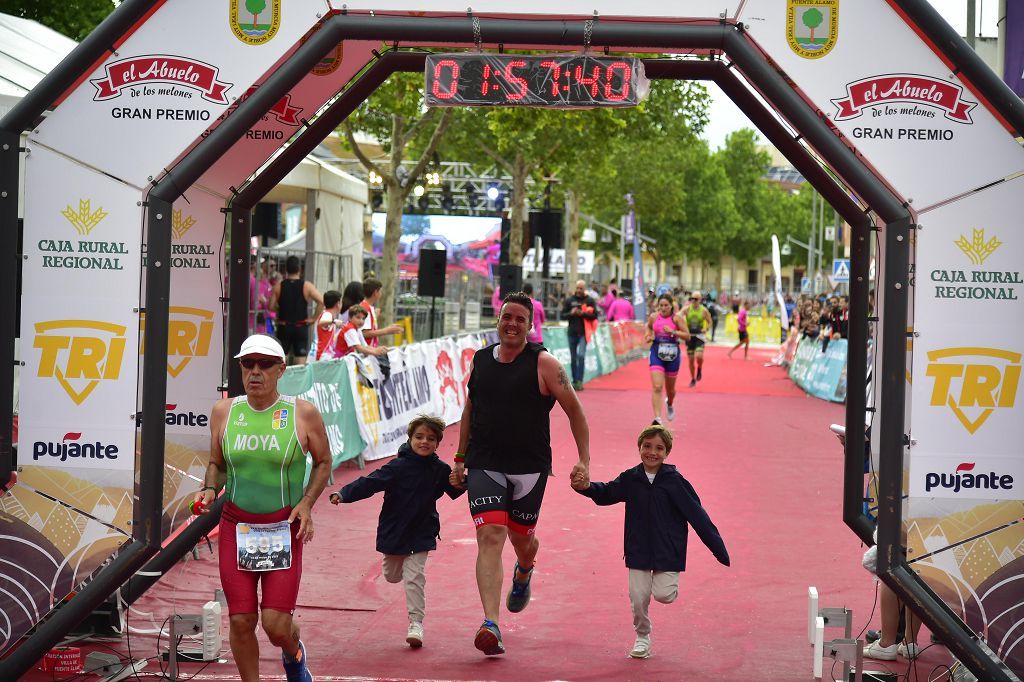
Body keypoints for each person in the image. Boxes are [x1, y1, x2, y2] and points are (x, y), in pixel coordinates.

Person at [450, 291, 590, 656]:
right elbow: (469, 410)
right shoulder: (481, 361)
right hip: (485, 463)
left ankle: (525, 568)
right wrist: (461, 457)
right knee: (491, 536)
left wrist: (583, 460)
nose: (511, 323)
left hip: (529, 468)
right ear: (498, 320)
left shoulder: (544, 364)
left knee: (520, 539)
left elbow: (575, 411)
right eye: (506, 317)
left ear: (530, 325)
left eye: (519, 319)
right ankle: (491, 624)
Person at [193, 334, 331, 682]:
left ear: (281, 369)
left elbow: (323, 462)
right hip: (236, 526)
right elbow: (217, 463)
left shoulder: (302, 413)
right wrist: (210, 487)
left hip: (282, 529)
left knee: (275, 625)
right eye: (247, 364)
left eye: (265, 364)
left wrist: (307, 503)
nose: (255, 371)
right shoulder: (224, 411)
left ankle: (294, 653)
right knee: (240, 620)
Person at [571, 425, 730, 659]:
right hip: (638, 548)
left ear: (667, 453)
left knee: (664, 595)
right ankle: (642, 637)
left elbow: (699, 517)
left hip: (668, 550)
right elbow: (607, 493)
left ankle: (664, 588)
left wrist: (719, 550)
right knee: (638, 597)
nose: (652, 452)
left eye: (659, 448)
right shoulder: (631, 478)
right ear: (639, 447)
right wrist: (586, 487)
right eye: (647, 446)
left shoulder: (676, 482)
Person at [329, 415, 465, 648]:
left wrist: (461, 481)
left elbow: (455, 488)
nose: (424, 442)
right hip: (395, 530)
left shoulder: (439, 469)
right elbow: (369, 483)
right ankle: (399, 568)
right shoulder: (397, 467)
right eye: (419, 437)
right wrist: (344, 494)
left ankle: (416, 624)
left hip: (422, 531)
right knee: (392, 575)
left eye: (430, 439)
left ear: (437, 443)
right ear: (410, 439)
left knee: (415, 577)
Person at [270, 256, 324, 366]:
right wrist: (313, 319)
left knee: (281, 359)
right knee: (300, 360)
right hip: (300, 326)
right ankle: (299, 382)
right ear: (299, 269)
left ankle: (281, 382)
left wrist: (281, 308)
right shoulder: (307, 286)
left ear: (286, 269)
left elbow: (270, 306)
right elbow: (321, 301)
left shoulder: (279, 286)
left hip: (284, 326)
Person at [645, 294, 689, 424]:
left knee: (670, 390)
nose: (663, 308)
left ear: (671, 306)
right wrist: (648, 335)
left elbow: (687, 336)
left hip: (672, 355)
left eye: (666, 305)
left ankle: (669, 403)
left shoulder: (677, 319)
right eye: (661, 305)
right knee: (657, 386)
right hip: (656, 352)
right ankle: (657, 418)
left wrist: (673, 332)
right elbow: (648, 328)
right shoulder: (654, 317)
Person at [561, 279, 598, 390]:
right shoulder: (569, 300)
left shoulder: (589, 300)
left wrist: (583, 314)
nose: (579, 290)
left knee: (581, 356)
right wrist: (571, 313)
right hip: (571, 333)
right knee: (573, 358)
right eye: (577, 288)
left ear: (584, 289)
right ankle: (574, 380)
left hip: (583, 333)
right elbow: (562, 315)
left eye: (581, 288)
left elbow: (595, 316)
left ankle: (580, 381)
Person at [360, 278, 404, 348]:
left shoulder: (368, 307)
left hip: (370, 349)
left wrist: (374, 317)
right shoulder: (365, 308)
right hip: (366, 350)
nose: (381, 293)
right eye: (380, 291)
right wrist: (387, 330)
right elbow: (364, 333)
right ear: (375, 293)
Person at [682, 292, 713, 388]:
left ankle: (699, 368)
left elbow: (710, 322)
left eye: (696, 299)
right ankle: (693, 379)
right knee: (691, 360)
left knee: (699, 356)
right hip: (690, 336)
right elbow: (678, 315)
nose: (693, 301)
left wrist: (706, 328)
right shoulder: (687, 309)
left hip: (699, 335)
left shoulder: (704, 310)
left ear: (700, 300)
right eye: (692, 298)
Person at [314, 290, 343, 361]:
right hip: (322, 354)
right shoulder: (327, 314)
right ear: (338, 303)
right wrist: (334, 322)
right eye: (341, 302)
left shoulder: (327, 315)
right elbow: (321, 322)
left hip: (324, 354)